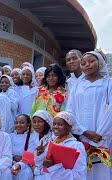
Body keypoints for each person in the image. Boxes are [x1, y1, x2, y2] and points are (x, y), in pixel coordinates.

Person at [66, 51, 112, 180]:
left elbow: (110, 113)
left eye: (91, 61)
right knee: (82, 169)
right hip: (82, 136)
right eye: (83, 63)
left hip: (103, 137)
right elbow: (70, 112)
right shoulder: (76, 87)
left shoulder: (108, 83)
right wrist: (84, 131)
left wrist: (99, 137)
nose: (87, 65)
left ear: (100, 62)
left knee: (101, 170)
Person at [34, 111, 87, 180]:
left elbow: (79, 175)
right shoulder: (51, 142)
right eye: (54, 124)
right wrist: (40, 154)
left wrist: (53, 167)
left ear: (69, 127)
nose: (56, 127)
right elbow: (40, 166)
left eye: (60, 124)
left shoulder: (76, 145)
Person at [11, 114, 38, 180]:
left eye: (22, 123)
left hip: (25, 165)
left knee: (25, 173)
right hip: (10, 162)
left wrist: (20, 163)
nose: (18, 125)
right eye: (16, 122)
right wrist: (13, 157)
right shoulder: (9, 136)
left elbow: (31, 155)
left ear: (28, 124)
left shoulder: (32, 137)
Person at [31, 110, 53, 177]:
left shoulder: (53, 137)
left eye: (40, 121)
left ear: (47, 122)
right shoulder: (33, 135)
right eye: (34, 122)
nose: (36, 125)